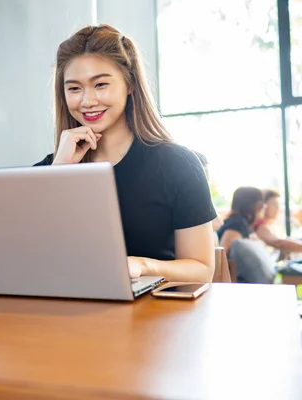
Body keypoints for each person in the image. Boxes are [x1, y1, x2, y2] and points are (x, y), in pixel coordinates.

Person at [34, 24, 216, 283]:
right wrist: (59, 174)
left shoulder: (177, 164)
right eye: (74, 88)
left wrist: (142, 265)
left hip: (156, 316)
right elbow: (28, 257)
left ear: (129, 84)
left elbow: (202, 268)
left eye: (100, 84)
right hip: (67, 314)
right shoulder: (48, 171)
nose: (87, 101)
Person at [216, 187, 264, 255]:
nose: (263, 206)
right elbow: (222, 252)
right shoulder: (236, 223)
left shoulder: (242, 223)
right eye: (261, 203)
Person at [254, 189, 302, 255]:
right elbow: (279, 243)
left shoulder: (267, 225)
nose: (277, 208)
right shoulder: (258, 225)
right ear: (263, 206)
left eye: (278, 205)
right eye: (274, 204)